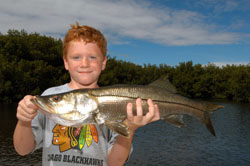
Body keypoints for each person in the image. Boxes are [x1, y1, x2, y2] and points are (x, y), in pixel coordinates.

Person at [13, 22, 160, 166]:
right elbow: (22, 150)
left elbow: (115, 163)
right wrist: (24, 121)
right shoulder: (49, 95)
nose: (84, 64)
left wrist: (130, 128)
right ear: (66, 62)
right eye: (76, 57)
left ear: (103, 63)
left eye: (92, 57)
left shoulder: (118, 105)